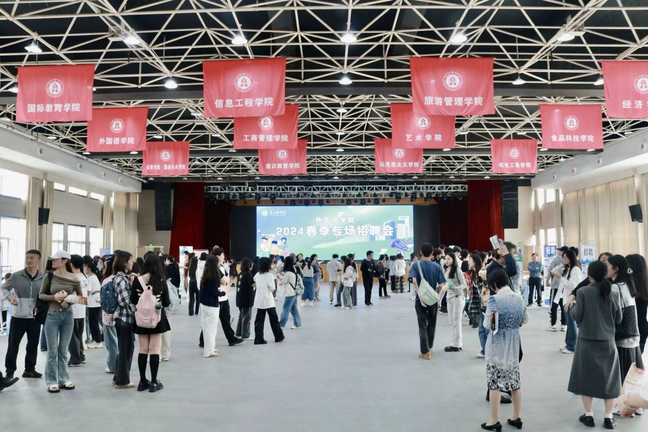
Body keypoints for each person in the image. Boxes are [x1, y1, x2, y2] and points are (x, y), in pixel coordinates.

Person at [568, 260, 623, 430]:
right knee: (610, 380)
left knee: (586, 378)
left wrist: (571, 307)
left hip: (586, 341)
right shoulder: (614, 292)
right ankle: (608, 417)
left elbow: (577, 316)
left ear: (590, 275)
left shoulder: (583, 292)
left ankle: (589, 415)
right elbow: (619, 319)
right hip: (608, 341)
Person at [481, 270, 528, 431]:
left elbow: (488, 324)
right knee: (515, 382)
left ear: (494, 284)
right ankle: (516, 417)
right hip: (514, 344)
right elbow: (525, 320)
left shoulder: (494, 300)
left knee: (494, 383)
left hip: (497, 346)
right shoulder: (519, 297)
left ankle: (494, 420)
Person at [38, 251, 83, 393]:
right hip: (51, 316)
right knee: (52, 351)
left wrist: (68, 301)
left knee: (63, 350)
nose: (52, 261)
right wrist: (54, 297)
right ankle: (51, 381)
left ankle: (64, 379)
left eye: (55, 259)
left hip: (68, 316)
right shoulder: (49, 276)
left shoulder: (74, 277)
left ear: (65, 260)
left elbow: (81, 298)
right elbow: (41, 295)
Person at [2, 250, 44, 380]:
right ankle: (10, 372)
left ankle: (29, 370)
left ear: (38, 260)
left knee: (33, 344)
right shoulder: (16, 276)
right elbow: (3, 287)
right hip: (18, 316)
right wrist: (10, 298)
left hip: (34, 317)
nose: (29, 260)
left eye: (32, 258)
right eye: (27, 258)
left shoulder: (42, 277)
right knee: (13, 345)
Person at [607, 255, 644, 382]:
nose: (606, 269)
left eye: (607, 266)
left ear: (616, 269)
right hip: (632, 338)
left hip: (622, 339)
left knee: (622, 380)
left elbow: (616, 316)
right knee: (631, 380)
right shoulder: (628, 284)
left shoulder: (615, 288)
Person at [409, 243, 446, 360]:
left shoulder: (416, 265)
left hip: (421, 299)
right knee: (432, 324)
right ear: (432, 253)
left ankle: (425, 351)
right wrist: (436, 295)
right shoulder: (437, 266)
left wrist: (420, 295)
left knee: (422, 325)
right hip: (433, 299)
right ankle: (430, 347)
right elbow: (441, 284)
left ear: (421, 252)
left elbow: (414, 281)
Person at [112, 251, 136, 389]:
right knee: (125, 350)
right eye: (130, 260)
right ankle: (122, 380)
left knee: (124, 349)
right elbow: (124, 301)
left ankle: (118, 377)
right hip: (124, 318)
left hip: (123, 318)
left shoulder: (120, 278)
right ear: (124, 262)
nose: (132, 263)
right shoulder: (121, 279)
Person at [553, 250, 583, 354]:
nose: (564, 259)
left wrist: (561, 278)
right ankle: (568, 345)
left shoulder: (575, 270)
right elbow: (554, 270)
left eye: (566, 257)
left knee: (571, 324)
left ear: (571, 258)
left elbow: (573, 286)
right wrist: (563, 264)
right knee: (569, 323)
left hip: (571, 300)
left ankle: (572, 346)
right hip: (566, 299)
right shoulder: (568, 268)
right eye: (563, 257)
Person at [212, 248, 243, 347]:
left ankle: (231, 338)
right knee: (212, 321)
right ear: (217, 256)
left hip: (224, 297)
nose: (223, 257)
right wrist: (225, 280)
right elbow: (224, 280)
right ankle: (203, 340)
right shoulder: (213, 268)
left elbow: (227, 279)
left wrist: (226, 279)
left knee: (226, 319)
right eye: (222, 255)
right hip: (217, 297)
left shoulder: (221, 267)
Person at [200, 256, 229, 358]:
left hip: (204, 304)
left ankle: (209, 348)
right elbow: (214, 292)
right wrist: (223, 292)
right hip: (212, 305)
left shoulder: (205, 275)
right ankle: (209, 351)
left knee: (206, 328)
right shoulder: (215, 276)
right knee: (211, 329)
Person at [253, 257, 284, 344]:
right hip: (268, 300)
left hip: (259, 300)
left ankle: (258, 339)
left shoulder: (257, 275)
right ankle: (278, 336)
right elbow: (272, 288)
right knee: (273, 319)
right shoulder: (269, 275)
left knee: (259, 320)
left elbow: (255, 283)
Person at [443, 252, 468, 352]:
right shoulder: (446, 270)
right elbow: (444, 286)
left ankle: (456, 344)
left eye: (449, 259)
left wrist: (456, 288)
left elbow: (464, 284)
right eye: (445, 259)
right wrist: (439, 300)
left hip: (458, 297)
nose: (447, 261)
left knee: (456, 321)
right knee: (452, 321)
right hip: (449, 297)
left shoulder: (457, 270)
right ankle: (457, 342)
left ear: (454, 260)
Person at [67, 255, 87, 367]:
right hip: (81, 309)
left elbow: (74, 295)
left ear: (71, 264)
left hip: (73, 310)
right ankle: (81, 356)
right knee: (78, 335)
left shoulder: (72, 277)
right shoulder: (83, 276)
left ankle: (75, 359)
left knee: (73, 336)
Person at [625, 254, 648, 353]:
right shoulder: (644, 287)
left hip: (627, 333)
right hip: (641, 330)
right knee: (636, 360)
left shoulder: (625, 288)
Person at [101, 254, 118, 375]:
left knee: (111, 343)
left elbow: (105, 301)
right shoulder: (122, 278)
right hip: (122, 315)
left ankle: (112, 366)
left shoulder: (108, 280)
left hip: (109, 316)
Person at [547, 246, 569, 332]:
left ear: (563, 252)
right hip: (565, 287)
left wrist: (547, 281)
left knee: (554, 306)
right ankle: (564, 324)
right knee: (563, 306)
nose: (558, 252)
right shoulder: (570, 261)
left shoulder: (557, 259)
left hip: (556, 286)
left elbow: (550, 271)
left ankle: (553, 324)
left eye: (559, 250)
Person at [84, 261, 103, 348]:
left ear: (89, 269)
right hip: (97, 303)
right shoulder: (95, 277)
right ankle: (96, 339)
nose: (84, 269)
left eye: (85, 267)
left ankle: (97, 341)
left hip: (92, 303)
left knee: (93, 323)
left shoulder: (90, 278)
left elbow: (88, 291)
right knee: (95, 322)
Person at [235, 258, 255, 339]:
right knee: (246, 317)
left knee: (241, 316)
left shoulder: (240, 274)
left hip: (239, 298)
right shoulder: (248, 274)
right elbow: (253, 284)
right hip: (247, 299)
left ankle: (238, 333)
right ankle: (245, 334)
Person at [279, 256, 301, 330]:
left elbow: (283, 281)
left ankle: (281, 324)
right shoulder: (293, 270)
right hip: (293, 292)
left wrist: (279, 277)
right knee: (294, 309)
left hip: (289, 293)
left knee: (286, 309)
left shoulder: (288, 273)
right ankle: (297, 324)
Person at [468, 253, 484, 329]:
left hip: (482, 300)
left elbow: (483, 287)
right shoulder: (474, 273)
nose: (468, 262)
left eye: (470, 260)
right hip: (477, 300)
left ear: (474, 262)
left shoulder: (481, 273)